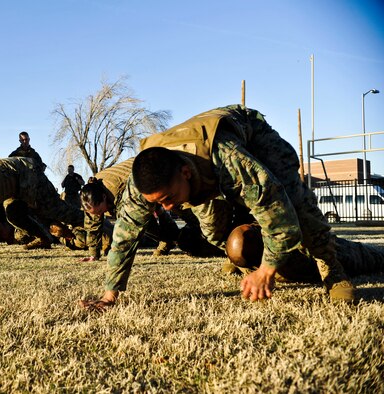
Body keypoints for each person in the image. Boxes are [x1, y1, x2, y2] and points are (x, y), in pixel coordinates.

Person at [80, 105, 355, 311]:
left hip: (250, 136)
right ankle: (246, 259)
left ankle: (332, 268)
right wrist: (109, 295)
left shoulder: (230, 160)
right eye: (157, 202)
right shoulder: (142, 186)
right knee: (212, 231)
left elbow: (277, 212)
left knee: (297, 204)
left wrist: (268, 270)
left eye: (168, 197)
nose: (166, 207)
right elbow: (124, 238)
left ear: (186, 173)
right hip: (202, 174)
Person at [79, 158, 180, 261]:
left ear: (104, 197)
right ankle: (168, 239)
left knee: (147, 217)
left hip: (150, 172)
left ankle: (178, 238)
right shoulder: (90, 196)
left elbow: (131, 227)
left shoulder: (120, 193)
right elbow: (92, 226)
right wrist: (93, 254)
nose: (98, 214)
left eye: (100, 211)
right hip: (138, 178)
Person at [225, 223, 384, 282]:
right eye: (254, 228)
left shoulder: (254, 264)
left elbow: (241, 258)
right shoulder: (291, 252)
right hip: (342, 255)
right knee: (376, 256)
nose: (255, 224)